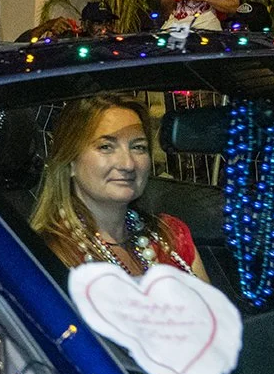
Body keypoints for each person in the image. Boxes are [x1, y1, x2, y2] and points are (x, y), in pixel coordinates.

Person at [31, 94, 209, 282]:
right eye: (106, 147)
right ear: (70, 162)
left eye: (138, 147)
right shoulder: (48, 255)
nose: (128, 164)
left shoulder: (171, 237)